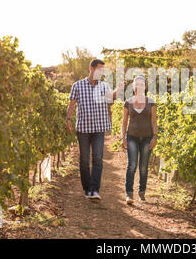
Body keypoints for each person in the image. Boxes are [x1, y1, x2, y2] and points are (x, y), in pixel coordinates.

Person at [66, 59, 123, 200]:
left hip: (99, 128)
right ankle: (87, 189)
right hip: (83, 128)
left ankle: (95, 189)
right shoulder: (77, 85)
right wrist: (68, 119)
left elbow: (111, 97)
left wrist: (119, 89)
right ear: (91, 69)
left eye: (103, 70)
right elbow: (72, 104)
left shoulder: (104, 86)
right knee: (84, 160)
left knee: (97, 158)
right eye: (99, 69)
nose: (102, 72)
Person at [121, 75, 158, 204]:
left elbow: (154, 122)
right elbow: (124, 122)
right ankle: (129, 194)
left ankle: (141, 193)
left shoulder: (151, 102)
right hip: (132, 137)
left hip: (147, 138)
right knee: (132, 165)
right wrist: (123, 138)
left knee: (143, 166)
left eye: (142, 84)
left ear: (145, 86)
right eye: (138, 84)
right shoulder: (128, 102)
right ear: (134, 87)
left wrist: (154, 137)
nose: (140, 86)